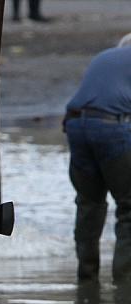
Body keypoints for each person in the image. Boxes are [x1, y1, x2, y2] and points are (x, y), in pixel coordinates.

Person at [64, 33, 131, 284]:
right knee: (129, 207)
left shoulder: (104, 57)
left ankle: (87, 278)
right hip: (111, 127)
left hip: (75, 125)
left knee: (89, 203)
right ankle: (124, 287)